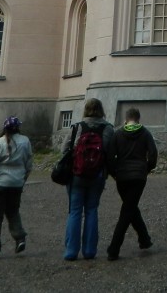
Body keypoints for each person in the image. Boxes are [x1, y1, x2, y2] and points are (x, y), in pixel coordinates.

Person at [61, 98, 114, 261]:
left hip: (77, 174)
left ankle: (71, 251)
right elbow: (110, 153)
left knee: (75, 211)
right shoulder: (108, 128)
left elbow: (64, 149)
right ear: (101, 110)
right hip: (97, 175)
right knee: (91, 210)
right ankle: (90, 251)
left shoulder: (77, 127)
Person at [106, 106, 158, 261]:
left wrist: (114, 172)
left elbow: (110, 157)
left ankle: (144, 239)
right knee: (129, 209)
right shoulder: (145, 133)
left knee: (129, 208)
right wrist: (146, 168)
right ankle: (114, 249)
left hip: (122, 177)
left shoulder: (118, 134)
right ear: (138, 118)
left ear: (126, 119)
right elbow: (153, 154)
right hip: (138, 177)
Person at [0, 116, 33, 259]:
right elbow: (29, 164)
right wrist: (23, 180)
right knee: (13, 212)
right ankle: (19, 238)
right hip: (16, 183)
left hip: (0, 183)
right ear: (18, 127)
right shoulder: (25, 141)